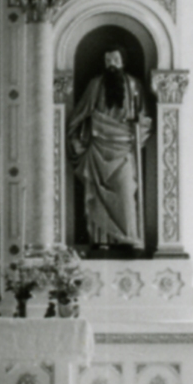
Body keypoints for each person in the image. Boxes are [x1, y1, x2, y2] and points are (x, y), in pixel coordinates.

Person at [68, 49, 152, 250]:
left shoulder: (134, 85)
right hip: (99, 148)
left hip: (124, 149)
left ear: (123, 61)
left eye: (115, 59)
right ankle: (102, 239)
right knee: (98, 197)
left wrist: (137, 127)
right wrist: (78, 136)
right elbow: (81, 112)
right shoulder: (95, 84)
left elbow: (144, 117)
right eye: (107, 60)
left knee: (125, 192)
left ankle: (129, 237)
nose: (111, 64)